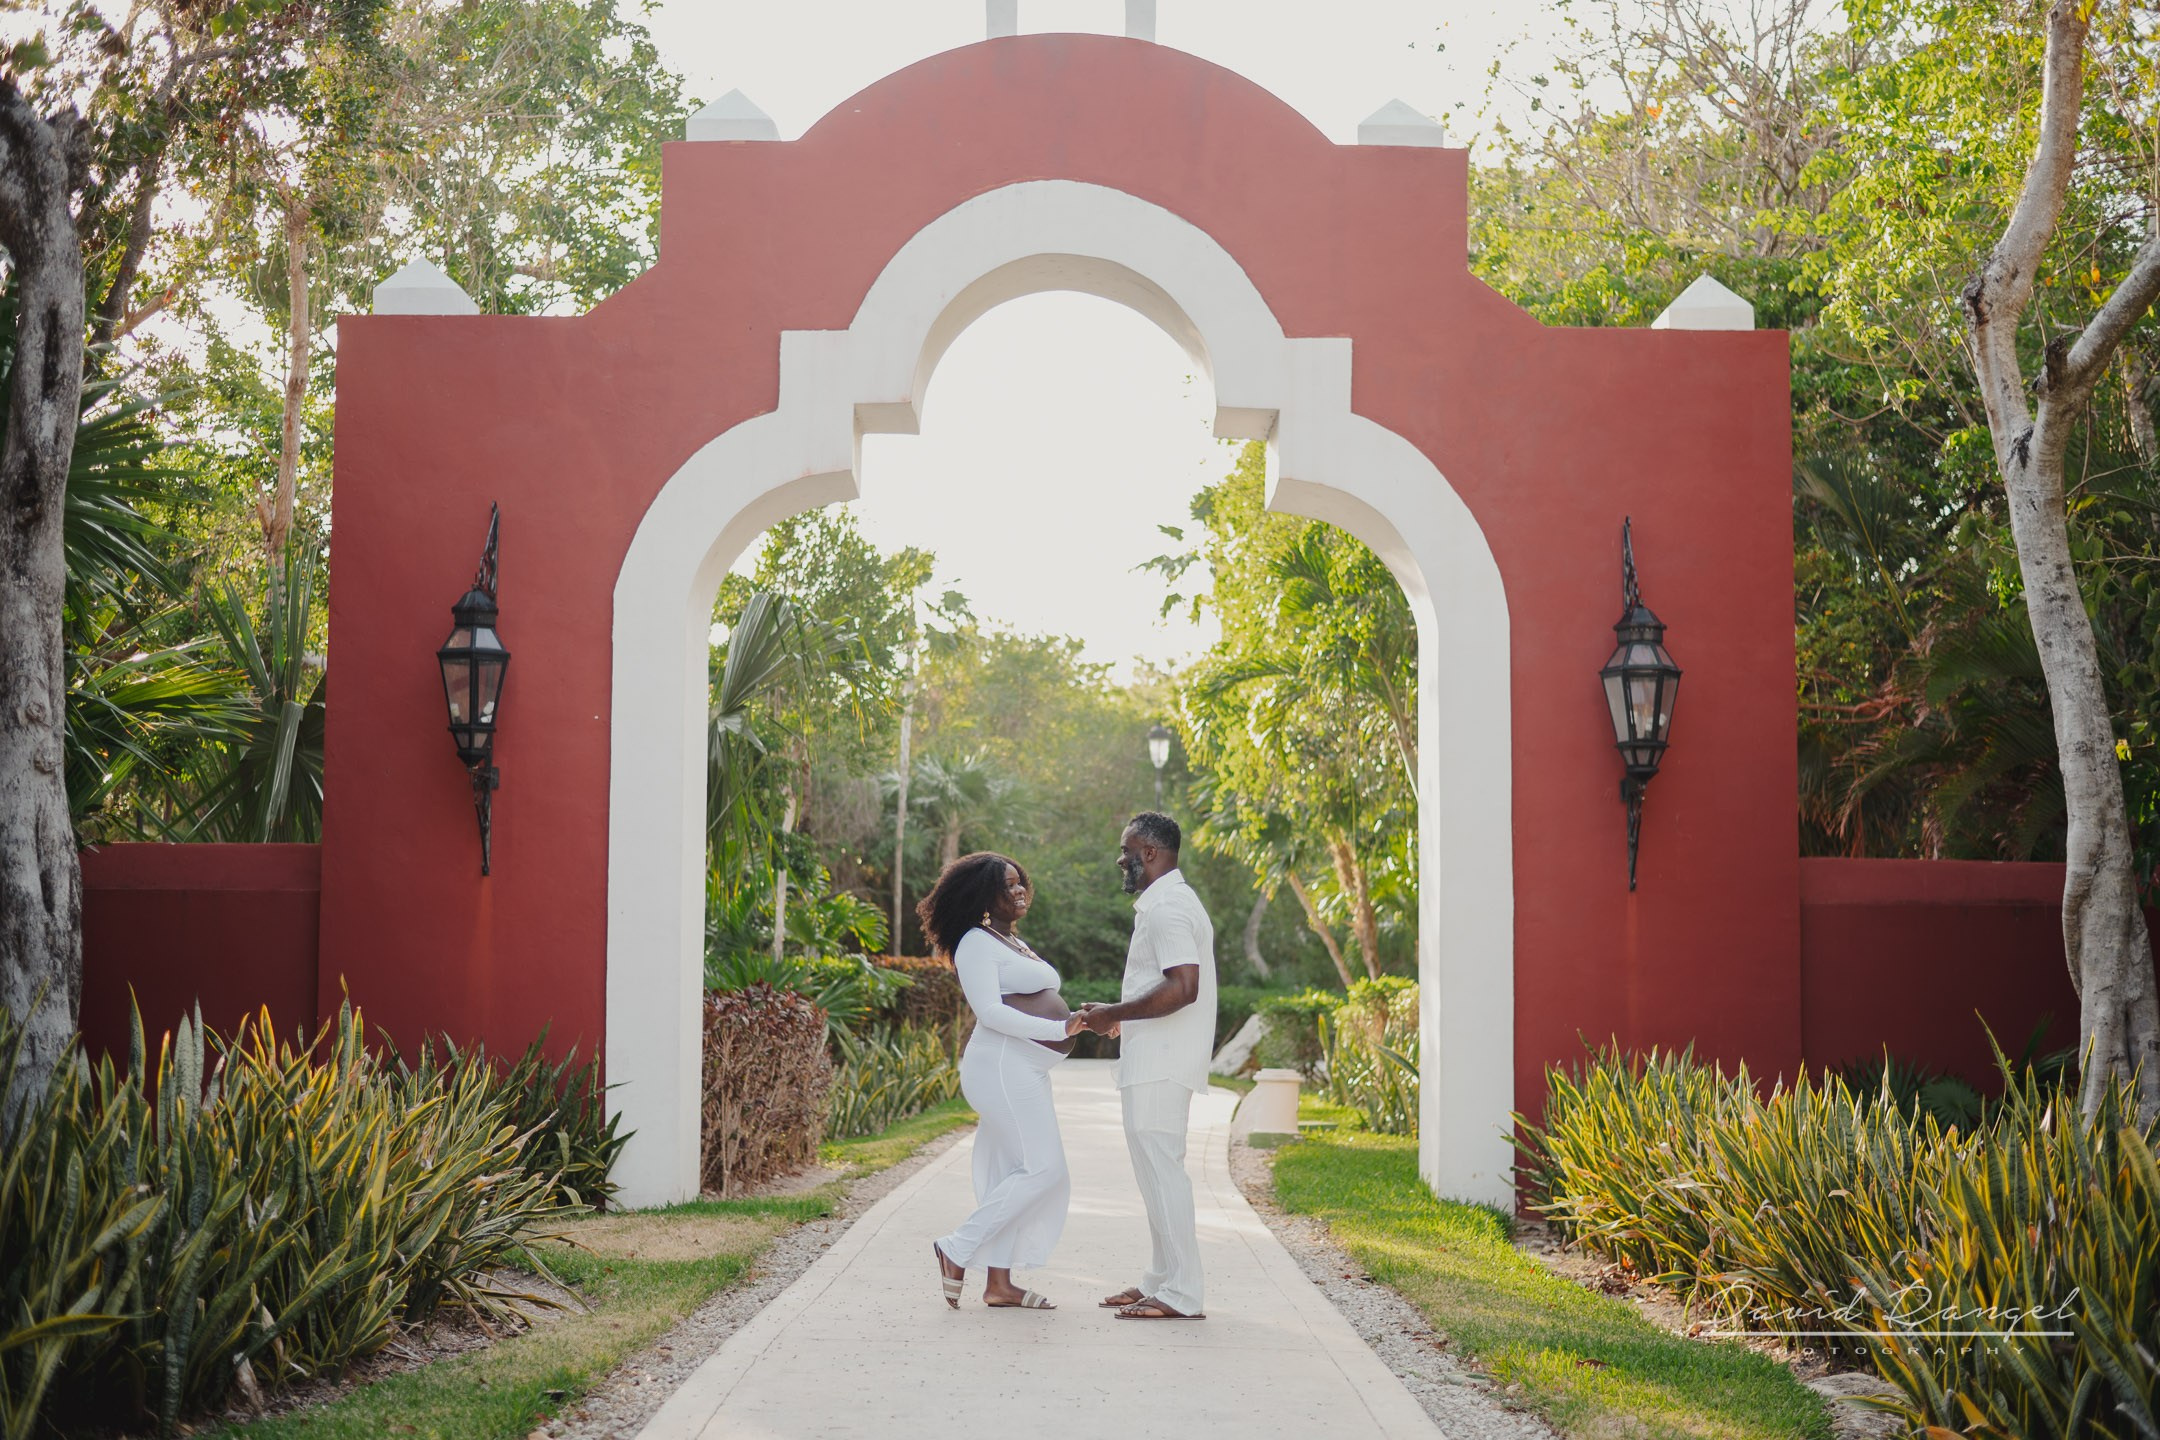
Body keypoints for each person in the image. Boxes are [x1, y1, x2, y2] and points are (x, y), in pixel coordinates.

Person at [924, 852, 1087, 1310]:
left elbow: (1034, 997)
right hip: (1000, 1068)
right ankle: (956, 1248)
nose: (1017, 891)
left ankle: (999, 1284)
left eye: (1020, 882)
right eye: (1005, 885)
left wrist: (1080, 1019)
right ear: (981, 896)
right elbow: (990, 1013)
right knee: (1043, 1169)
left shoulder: (1007, 939)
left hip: (1021, 1068)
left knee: (1007, 1174)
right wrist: (1059, 1029)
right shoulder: (975, 942)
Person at [1076, 811, 1217, 1320]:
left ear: (1151, 853)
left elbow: (1183, 987)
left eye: (1128, 849)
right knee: (1154, 1175)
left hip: (1162, 1064)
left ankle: (1183, 1293)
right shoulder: (1164, 904)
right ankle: (1161, 1280)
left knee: (1164, 1174)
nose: (1121, 858)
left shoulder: (1169, 908)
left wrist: (1115, 1012)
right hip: (1151, 1058)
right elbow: (1163, 987)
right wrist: (1119, 1019)